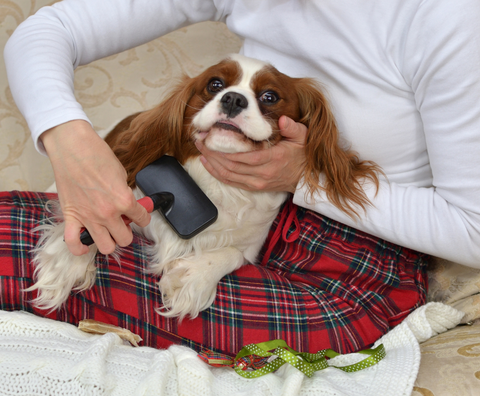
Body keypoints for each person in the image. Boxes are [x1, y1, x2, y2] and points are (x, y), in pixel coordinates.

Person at [2, 0, 478, 357]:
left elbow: (474, 230)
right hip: (212, 215)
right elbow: (49, 30)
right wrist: (70, 143)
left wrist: (306, 179)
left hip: (344, 276)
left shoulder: (447, 17)